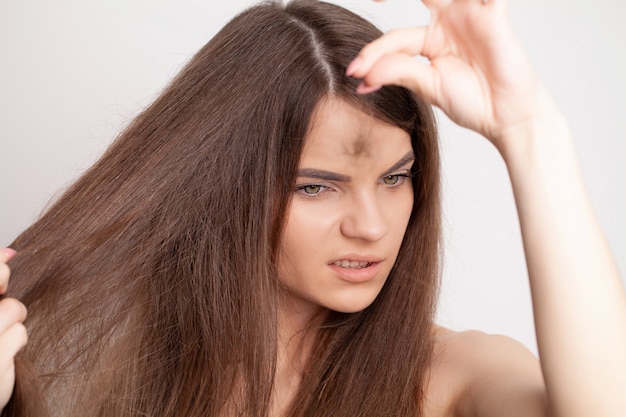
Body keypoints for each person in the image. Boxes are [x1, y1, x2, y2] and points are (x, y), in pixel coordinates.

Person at [1, 0, 624, 415]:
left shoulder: (453, 378)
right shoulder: (124, 371)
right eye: (315, 187)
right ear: (227, 190)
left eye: (395, 178)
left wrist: (529, 130)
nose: (372, 227)